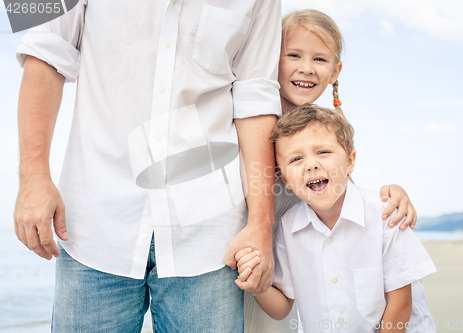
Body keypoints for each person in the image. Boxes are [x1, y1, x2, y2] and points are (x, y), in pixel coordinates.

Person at [13, 1, 282, 331]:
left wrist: (261, 222)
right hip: (95, 223)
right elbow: (44, 51)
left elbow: (256, 97)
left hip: (210, 234)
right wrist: (33, 177)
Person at [243, 9, 419, 333]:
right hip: (254, 247)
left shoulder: (324, 126)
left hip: (298, 246)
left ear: (336, 71)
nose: (307, 68)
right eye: (293, 54)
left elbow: (345, 192)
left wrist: (394, 192)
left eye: (320, 60)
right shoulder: (252, 116)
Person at [237, 104, 437, 333]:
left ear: (350, 161)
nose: (311, 164)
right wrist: (258, 284)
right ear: (285, 180)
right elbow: (282, 307)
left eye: (323, 152)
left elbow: (400, 305)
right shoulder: (288, 226)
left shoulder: (386, 216)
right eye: (296, 159)